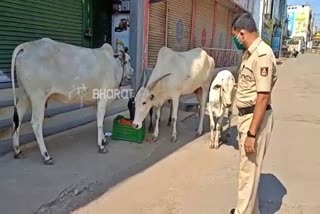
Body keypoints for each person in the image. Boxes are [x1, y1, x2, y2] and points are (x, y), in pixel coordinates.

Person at [230, 13, 277, 214]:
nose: (235, 41)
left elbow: (263, 97)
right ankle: (251, 210)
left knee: (247, 173)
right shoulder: (250, 53)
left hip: (254, 118)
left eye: (235, 36)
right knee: (250, 171)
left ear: (242, 33)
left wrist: (251, 133)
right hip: (247, 116)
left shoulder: (262, 54)